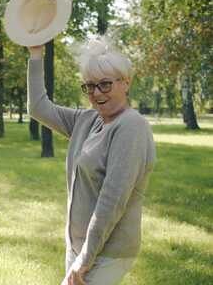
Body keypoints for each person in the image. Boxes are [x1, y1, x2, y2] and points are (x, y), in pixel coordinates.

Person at [27, 37, 156, 285]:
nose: (96, 93)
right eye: (89, 86)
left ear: (125, 83)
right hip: (78, 246)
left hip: (106, 252)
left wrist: (85, 259)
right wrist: (35, 54)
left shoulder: (131, 127)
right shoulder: (86, 120)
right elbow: (38, 108)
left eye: (105, 84)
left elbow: (112, 200)